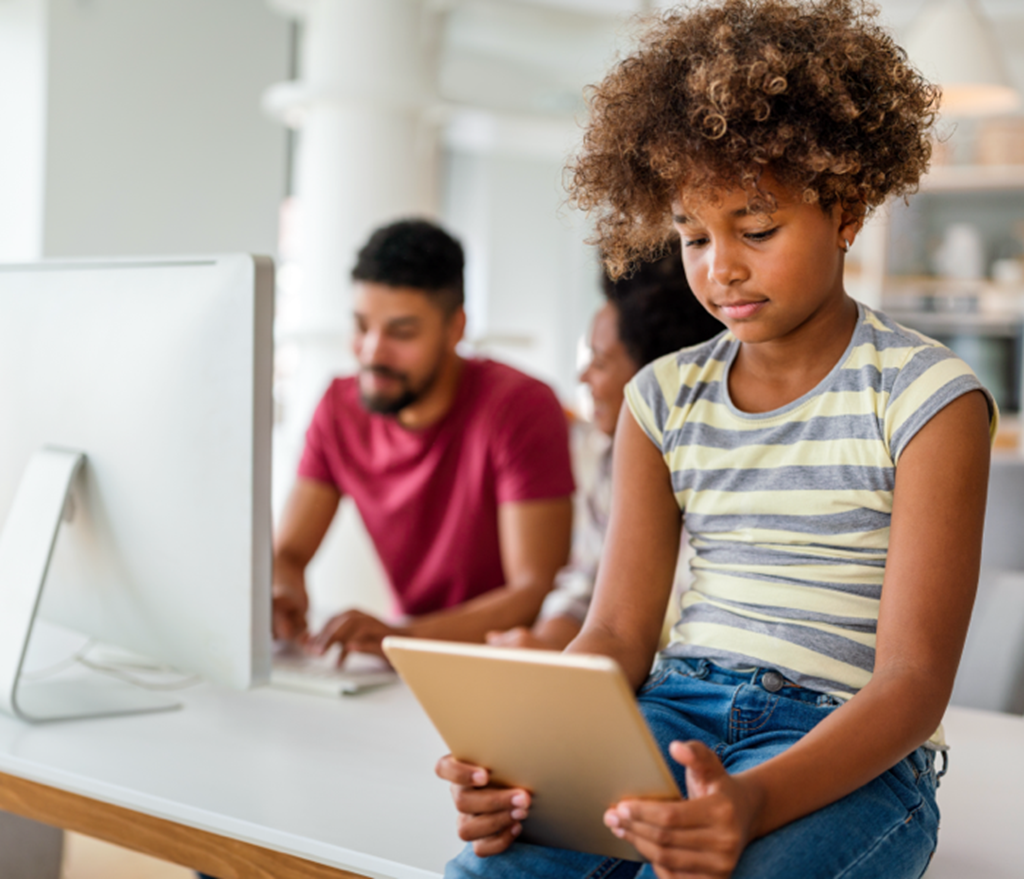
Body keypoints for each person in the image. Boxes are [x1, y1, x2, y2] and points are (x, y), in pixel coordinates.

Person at [436, 1, 997, 877]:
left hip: (848, 749)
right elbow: (618, 632)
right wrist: (533, 757)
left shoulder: (929, 397)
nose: (719, 267)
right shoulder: (661, 398)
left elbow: (911, 686)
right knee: (493, 869)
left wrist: (755, 798)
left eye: (757, 229)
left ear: (845, 209)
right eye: (693, 235)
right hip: (672, 712)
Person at [272, 218, 575, 659]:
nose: (373, 351)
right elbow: (289, 553)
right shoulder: (338, 407)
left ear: (455, 328)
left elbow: (534, 590)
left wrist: (402, 638)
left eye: (401, 332)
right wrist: (282, 594)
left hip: (508, 661)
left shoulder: (521, 406)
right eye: (361, 326)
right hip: (409, 659)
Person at [487, 244, 722, 651]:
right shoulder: (610, 460)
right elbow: (585, 585)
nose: (583, 378)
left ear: (657, 375)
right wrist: (540, 644)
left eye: (599, 362)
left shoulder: (721, 473)